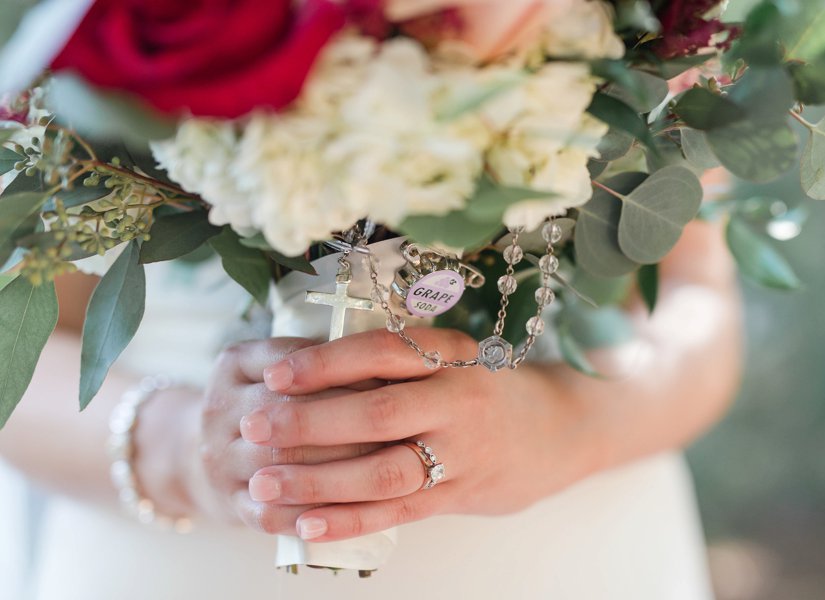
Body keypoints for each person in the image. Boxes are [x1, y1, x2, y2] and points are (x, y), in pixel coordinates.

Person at [0, 206, 742, 599]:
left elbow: (695, 292)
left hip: (570, 556)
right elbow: (16, 360)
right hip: (179, 567)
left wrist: (562, 421)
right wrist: (186, 450)